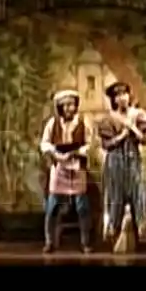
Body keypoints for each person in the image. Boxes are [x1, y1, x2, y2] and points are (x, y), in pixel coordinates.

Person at [97, 81, 146, 250]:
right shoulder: (109, 118)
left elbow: (144, 140)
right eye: (118, 95)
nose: (122, 98)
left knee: (141, 195)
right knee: (115, 198)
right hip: (115, 162)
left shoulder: (137, 115)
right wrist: (123, 135)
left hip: (133, 160)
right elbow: (106, 145)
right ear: (114, 99)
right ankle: (113, 236)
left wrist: (133, 129)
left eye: (124, 94)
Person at [38, 89, 94, 253]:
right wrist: (55, 153)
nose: (69, 108)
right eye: (65, 105)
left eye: (72, 105)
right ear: (60, 107)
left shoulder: (83, 122)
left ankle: (85, 242)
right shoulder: (52, 123)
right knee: (52, 206)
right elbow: (44, 143)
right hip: (59, 168)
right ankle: (49, 241)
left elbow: (90, 144)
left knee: (82, 207)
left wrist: (77, 152)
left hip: (77, 168)